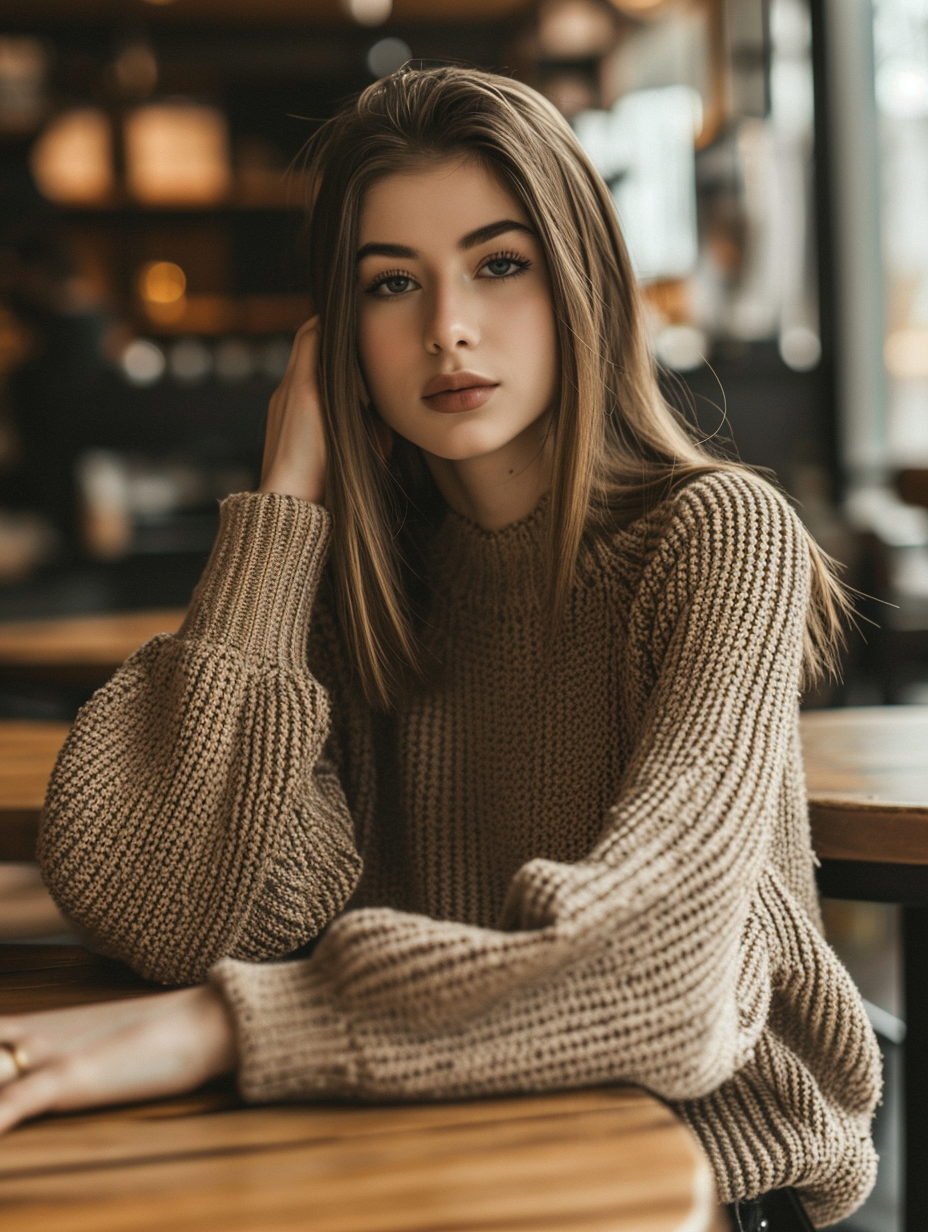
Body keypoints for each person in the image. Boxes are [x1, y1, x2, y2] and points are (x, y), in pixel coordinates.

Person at [0, 68, 879, 1230]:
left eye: (497, 263)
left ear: (581, 283)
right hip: (414, 1120)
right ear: (335, 333)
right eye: (391, 284)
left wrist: (220, 1026)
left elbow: (659, 977)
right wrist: (286, 501)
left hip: (693, 1158)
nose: (446, 327)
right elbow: (165, 911)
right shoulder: (353, 580)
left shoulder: (716, 537)